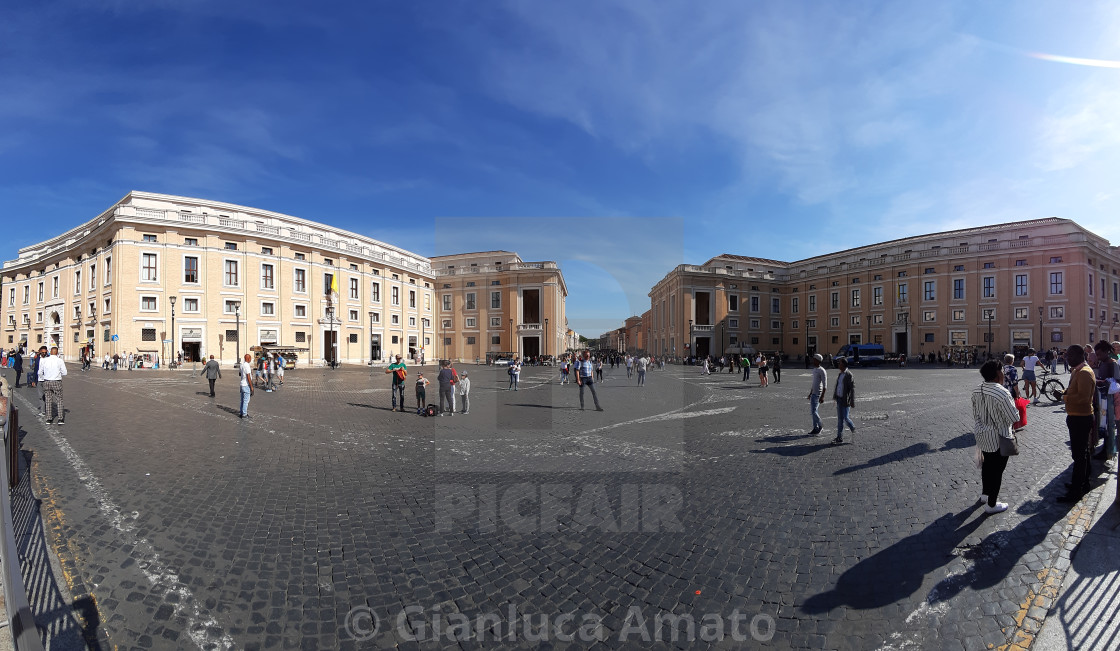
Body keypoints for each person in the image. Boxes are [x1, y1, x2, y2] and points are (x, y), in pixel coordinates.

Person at [971, 360, 1019, 514]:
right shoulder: (1002, 392)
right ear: (997, 373)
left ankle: (985, 494)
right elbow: (1014, 416)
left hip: (982, 434)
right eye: (1002, 371)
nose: (1003, 374)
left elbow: (975, 413)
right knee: (997, 470)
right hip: (999, 437)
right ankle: (991, 504)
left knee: (987, 465)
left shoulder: (977, 390)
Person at [1060, 345, 1096, 502]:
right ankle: (1083, 482)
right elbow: (1073, 391)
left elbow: (1083, 397)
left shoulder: (1084, 373)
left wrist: (1065, 398)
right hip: (1075, 416)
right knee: (1082, 453)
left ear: (1081, 355)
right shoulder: (1076, 371)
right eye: (1067, 356)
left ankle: (1076, 490)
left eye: (1071, 356)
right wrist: (1063, 393)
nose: (1068, 359)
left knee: (1079, 455)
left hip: (1081, 417)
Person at [1092, 341, 1117, 463]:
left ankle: (1108, 451)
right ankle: (1105, 449)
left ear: (1106, 352)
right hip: (1102, 397)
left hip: (1110, 400)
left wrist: (1103, 382)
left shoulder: (1113, 364)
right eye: (1097, 354)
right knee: (1103, 424)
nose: (1098, 357)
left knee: (1108, 424)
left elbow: (1117, 381)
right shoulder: (1103, 362)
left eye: (1099, 354)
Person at [37, 346, 67, 425]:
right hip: (57, 381)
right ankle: (60, 419)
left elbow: (39, 372)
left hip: (47, 381)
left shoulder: (45, 360)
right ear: (57, 353)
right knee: (59, 400)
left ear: (50, 352)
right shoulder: (60, 361)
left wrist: (44, 377)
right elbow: (65, 372)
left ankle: (49, 419)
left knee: (48, 400)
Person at [832, 358, 856, 444]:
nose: (838, 365)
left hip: (845, 400)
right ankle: (839, 437)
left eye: (840, 364)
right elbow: (838, 386)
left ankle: (853, 428)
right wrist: (835, 396)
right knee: (840, 419)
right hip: (839, 398)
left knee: (846, 418)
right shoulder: (840, 374)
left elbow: (852, 389)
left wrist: (852, 401)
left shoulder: (849, 375)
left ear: (844, 365)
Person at [807, 354, 827, 435]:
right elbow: (814, 383)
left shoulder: (822, 370)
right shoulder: (814, 370)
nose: (813, 360)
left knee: (814, 411)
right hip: (813, 393)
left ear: (818, 361)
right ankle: (815, 428)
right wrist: (810, 393)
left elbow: (825, 384)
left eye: (814, 359)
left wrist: (822, 396)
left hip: (818, 393)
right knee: (814, 412)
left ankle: (820, 425)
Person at [238, 353, 254, 419]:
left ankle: (241, 412)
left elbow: (239, 374)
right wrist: (251, 387)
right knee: (246, 401)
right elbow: (248, 377)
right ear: (248, 358)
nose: (250, 359)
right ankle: (244, 414)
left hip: (242, 384)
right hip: (246, 385)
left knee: (242, 400)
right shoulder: (247, 365)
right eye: (250, 358)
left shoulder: (242, 365)